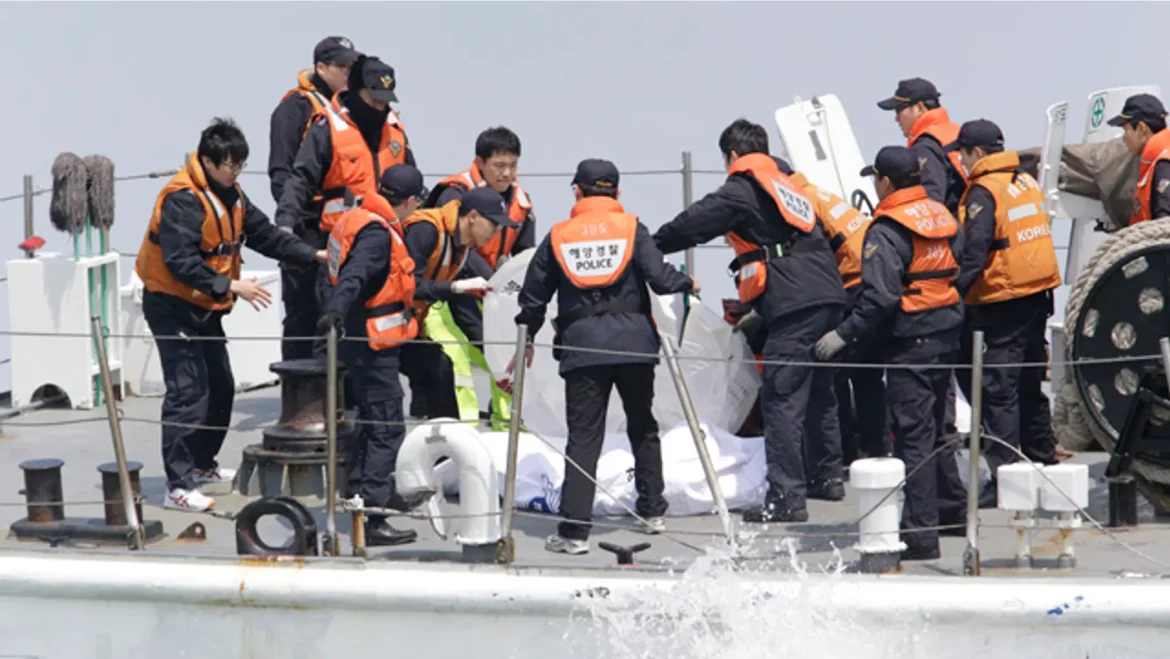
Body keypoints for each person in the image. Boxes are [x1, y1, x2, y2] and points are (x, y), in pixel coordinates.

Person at [653, 119, 847, 523]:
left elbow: (696, 222)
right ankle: (826, 476)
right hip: (827, 291)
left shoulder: (743, 188)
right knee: (819, 392)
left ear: (734, 156)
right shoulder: (786, 185)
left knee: (781, 398)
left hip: (795, 300)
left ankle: (786, 499)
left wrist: (651, 246)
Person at [134, 118, 326, 512]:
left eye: (240, 164)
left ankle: (202, 464)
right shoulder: (182, 199)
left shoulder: (232, 194)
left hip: (205, 308)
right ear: (207, 160)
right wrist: (231, 286)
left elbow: (265, 236)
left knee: (221, 386)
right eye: (229, 164)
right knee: (188, 393)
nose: (236, 170)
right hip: (172, 307)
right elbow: (180, 260)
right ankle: (178, 485)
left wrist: (313, 256)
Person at [509, 159, 698, 554]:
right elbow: (661, 279)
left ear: (576, 192)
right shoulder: (632, 227)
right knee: (642, 426)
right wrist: (687, 282)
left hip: (583, 348)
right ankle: (652, 511)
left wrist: (526, 337)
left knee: (584, 437)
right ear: (617, 193)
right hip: (635, 344)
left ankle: (575, 533)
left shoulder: (559, 235)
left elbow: (534, 295)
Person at [814, 146, 967, 560]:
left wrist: (842, 336)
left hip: (910, 343)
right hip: (947, 333)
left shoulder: (884, 230)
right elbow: (964, 264)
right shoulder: (942, 215)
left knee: (913, 436)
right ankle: (952, 514)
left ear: (885, 181)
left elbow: (879, 298)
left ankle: (920, 535)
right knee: (938, 430)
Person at [273, 54, 416, 358]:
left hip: (380, 242)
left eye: (385, 100)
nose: (380, 107)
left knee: (369, 320)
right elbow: (301, 178)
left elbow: (413, 183)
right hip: (336, 242)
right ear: (356, 90)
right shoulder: (327, 126)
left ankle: (356, 398)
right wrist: (285, 223)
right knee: (326, 316)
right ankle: (317, 396)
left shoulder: (395, 128)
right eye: (374, 99)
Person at [951, 119, 1062, 506]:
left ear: (977, 153)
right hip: (1037, 296)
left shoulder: (984, 191)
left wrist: (954, 295)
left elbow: (975, 251)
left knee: (1000, 389)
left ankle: (1004, 478)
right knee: (1031, 383)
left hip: (1002, 301)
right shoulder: (1024, 181)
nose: (961, 162)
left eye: (963, 153)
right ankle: (1042, 461)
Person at [317, 164, 429, 546]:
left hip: (360, 339)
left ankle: (360, 493)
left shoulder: (356, 218)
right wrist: (335, 309)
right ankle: (375, 517)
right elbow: (356, 274)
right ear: (411, 201)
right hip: (373, 343)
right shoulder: (378, 234)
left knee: (369, 420)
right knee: (386, 426)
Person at [419, 127, 535, 427]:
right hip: (447, 292)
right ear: (480, 163)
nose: (506, 173)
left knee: (507, 355)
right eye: (499, 165)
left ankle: (508, 426)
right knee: (455, 360)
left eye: (512, 166)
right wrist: (488, 282)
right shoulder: (455, 194)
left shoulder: (521, 203)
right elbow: (452, 244)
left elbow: (525, 255)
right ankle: (463, 434)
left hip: (490, 292)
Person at [777, 157, 890, 461]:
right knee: (868, 376)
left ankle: (842, 453)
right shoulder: (817, 192)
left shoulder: (797, 201)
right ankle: (877, 449)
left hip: (852, 284)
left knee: (832, 376)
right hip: (872, 280)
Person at [877, 77, 966, 441]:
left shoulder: (927, 146)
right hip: (967, 254)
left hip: (941, 270)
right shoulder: (955, 135)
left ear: (921, 108)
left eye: (900, 109)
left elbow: (926, 205)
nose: (897, 118)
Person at [268, 35, 361, 361]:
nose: (350, 72)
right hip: (306, 224)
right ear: (321, 67)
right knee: (302, 307)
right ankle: (299, 394)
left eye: (354, 65)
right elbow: (282, 172)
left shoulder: (350, 108)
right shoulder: (296, 107)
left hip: (341, 223)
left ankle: (336, 389)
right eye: (343, 66)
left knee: (338, 305)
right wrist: (291, 227)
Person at [399, 187, 512, 420]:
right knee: (384, 399)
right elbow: (407, 285)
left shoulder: (461, 248)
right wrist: (454, 287)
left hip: (409, 329)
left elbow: (467, 314)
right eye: (493, 223)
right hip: (378, 330)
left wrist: (493, 353)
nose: (497, 232)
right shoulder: (426, 230)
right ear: (472, 217)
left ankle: (444, 445)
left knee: (440, 369)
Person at [1109, 93, 1170, 225]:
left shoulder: (1164, 166)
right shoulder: (1157, 163)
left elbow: (1165, 226)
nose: (1124, 138)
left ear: (1142, 129)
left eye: (1126, 130)